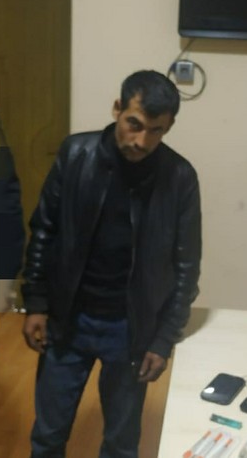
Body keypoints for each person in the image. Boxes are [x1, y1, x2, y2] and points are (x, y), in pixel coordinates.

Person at [21, 70, 202, 458]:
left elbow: (187, 267)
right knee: (48, 435)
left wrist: (163, 339)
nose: (142, 141)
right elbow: (45, 230)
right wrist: (35, 301)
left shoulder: (180, 177)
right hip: (69, 318)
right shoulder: (76, 155)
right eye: (134, 124)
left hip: (131, 328)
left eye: (156, 130)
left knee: (122, 444)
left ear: (169, 127)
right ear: (117, 109)